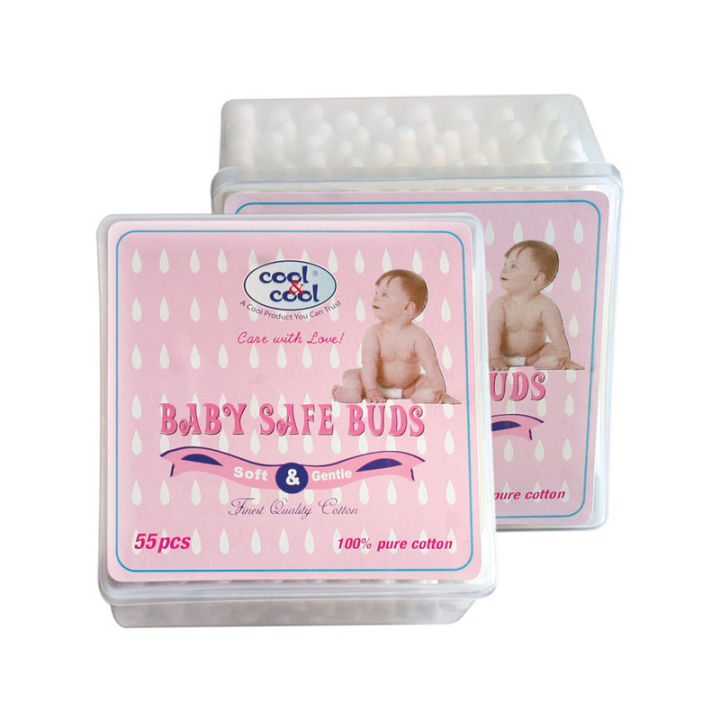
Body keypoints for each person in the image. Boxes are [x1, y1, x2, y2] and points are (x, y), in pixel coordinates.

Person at [333, 269, 458, 404]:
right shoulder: (374, 333)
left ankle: (430, 395)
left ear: (408, 308)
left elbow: (432, 366)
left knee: (425, 381)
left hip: (409, 388)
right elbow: (369, 364)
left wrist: (441, 391)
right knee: (352, 374)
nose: (375, 298)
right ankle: (351, 391)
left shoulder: (418, 336)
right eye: (376, 293)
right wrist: (371, 390)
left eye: (384, 295)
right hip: (375, 386)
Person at [488, 240, 583, 371]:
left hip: (535, 355)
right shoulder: (500, 305)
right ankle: (494, 360)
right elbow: (492, 335)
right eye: (506, 264)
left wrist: (564, 358)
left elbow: (558, 336)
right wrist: (494, 357)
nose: (504, 269)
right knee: (483, 347)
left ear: (536, 278)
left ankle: (551, 362)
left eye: (514, 266)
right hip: (502, 356)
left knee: (553, 350)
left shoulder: (546, 306)